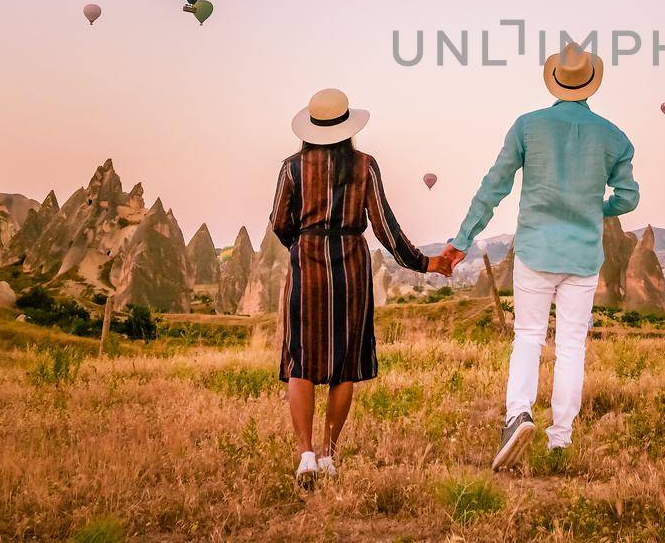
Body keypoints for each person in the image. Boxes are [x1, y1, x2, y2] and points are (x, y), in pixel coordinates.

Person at [439, 42, 639, 470]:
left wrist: (462, 240)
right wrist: (594, 208)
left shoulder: (527, 127)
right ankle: (561, 438)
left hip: (535, 250)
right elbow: (628, 197)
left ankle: (518, 416)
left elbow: (493, 187)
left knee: (528, 336)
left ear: (555, 80)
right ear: (591, 83)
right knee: (572, 345)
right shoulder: (613, 137)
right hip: (583, 256)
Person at [271, 88, 453, 483]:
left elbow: (279, 222)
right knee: (345, 364)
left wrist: (304, 244)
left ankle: (304, 454)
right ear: (348, 127)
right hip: (352, 266)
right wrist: (424, 263)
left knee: (300, 360)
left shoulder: (291, 168)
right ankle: (329, 456)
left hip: (307, 262)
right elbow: (385, 226)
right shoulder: (364, 166)